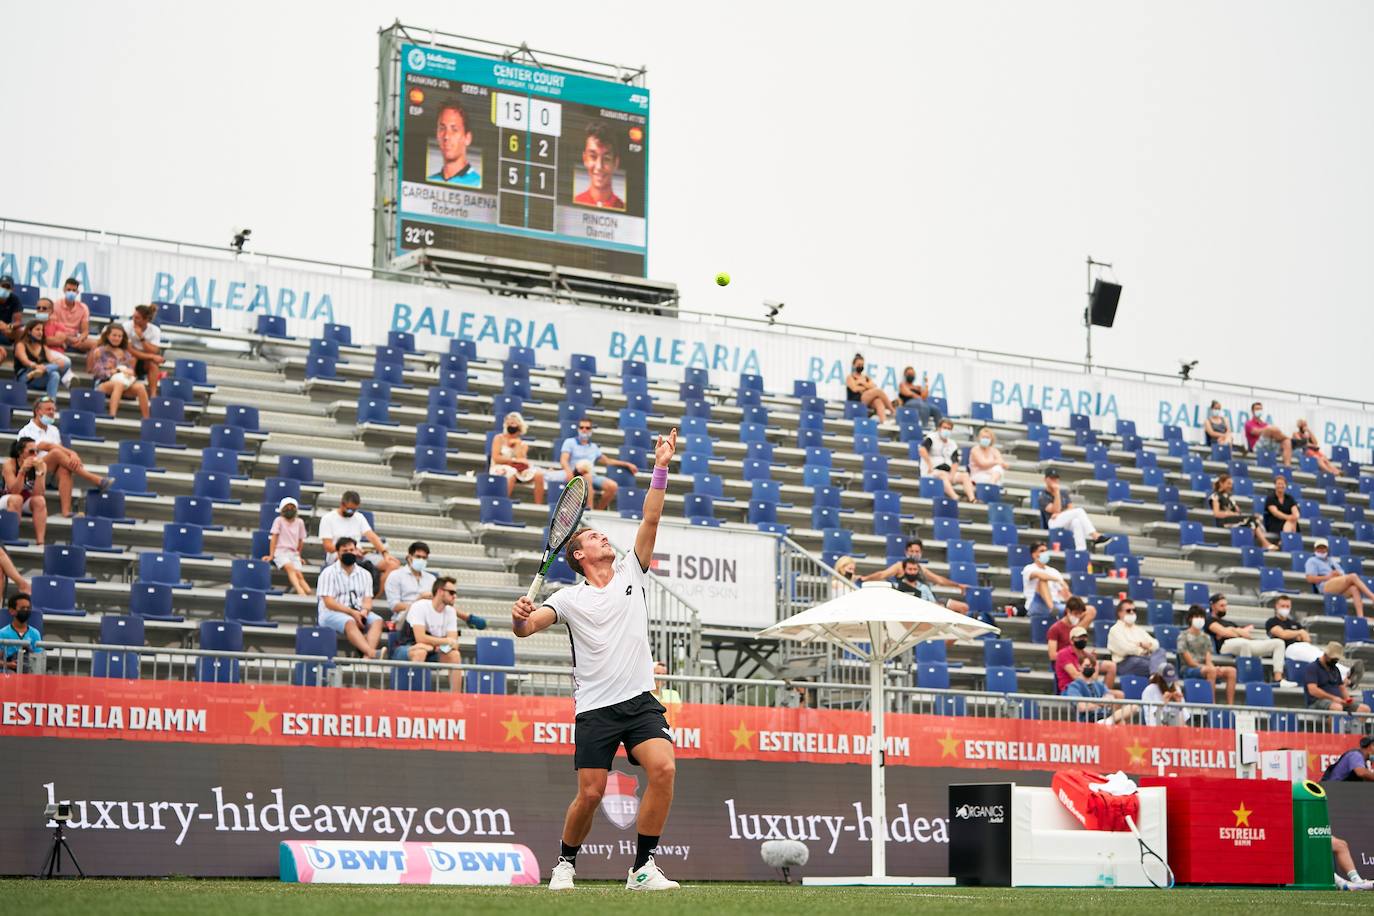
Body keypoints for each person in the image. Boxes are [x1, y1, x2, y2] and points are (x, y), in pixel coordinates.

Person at [511, 427, 681, 892]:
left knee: (664, 769)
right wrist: (519, 617)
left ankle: (642, 868)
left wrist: (660, 467)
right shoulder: (568, 598)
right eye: (592, 536)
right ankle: (565, 864)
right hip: (595, 709)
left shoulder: (632, 571)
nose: (603, 537)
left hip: (639, 700)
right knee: (590, 793)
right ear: (578, 554)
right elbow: (528, 628)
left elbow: (651, 518)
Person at [17, 397, 110, 516]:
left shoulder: (54, 430)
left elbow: (59, 451)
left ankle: (66, 511)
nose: (52, 412)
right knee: (55, 453)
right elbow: (46, 446)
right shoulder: (26, 430)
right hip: (33, 473)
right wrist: (71, 453)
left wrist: (72, 454)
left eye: (53, 410)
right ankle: (93, 478)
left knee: (65, 468)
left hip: (51, 473)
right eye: (48, 409)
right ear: (38, 411)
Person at [1269, 595, 1366, 690]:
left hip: (1303, 646)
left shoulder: (1295, 623)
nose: (1285, 609)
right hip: (1288, 649)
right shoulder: (1272, 621)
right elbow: (1282, 634)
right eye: (1283, 606)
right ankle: (1346, 674)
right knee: (1317, 658)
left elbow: (1307, 639)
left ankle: (1346, 675)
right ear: (1276, 606)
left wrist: (1296, 633)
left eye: (1287, 606)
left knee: (1321, 654)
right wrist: (1299, 632)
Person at [317, 491, 400, 598]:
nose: (351, 512)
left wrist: (384, 553)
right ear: (342, 504)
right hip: (338, 554)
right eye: (349, 509)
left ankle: (374, 597)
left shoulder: (359, 517)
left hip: (359, 553)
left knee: (393, 564)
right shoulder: (328, 518)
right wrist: (350, 550)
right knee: (345, 559)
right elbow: (328, 546)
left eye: (354, 510)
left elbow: (372, 536)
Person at [401, 575, 473, 693]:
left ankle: (455, 700)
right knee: (420, 651)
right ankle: (414, 700)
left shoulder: (450, 611)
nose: (455, 596)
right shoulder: (420, 606)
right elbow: (420, 638)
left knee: (455, 655)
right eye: (451, 592)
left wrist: (438, 644)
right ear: (440, 591)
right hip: (406, 646)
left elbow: (453, 643)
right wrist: (445, 641)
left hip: (434, 650)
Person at [316, 537, 384, 658]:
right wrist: (352, 613)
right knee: (349, 621)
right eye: (345, 550)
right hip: (330, 613)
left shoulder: (365, 574)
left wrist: (364, 611)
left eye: (351, 550)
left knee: (377, 620)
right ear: (338, 553)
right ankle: (372, 653)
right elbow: (329, 603)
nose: (349, 553)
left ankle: (367, 657)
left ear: (356, 551)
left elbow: (367, 599)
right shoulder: (328, 572)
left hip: (358, 611)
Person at [1205, 593, 1288, 685]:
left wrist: (1232, 630)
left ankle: (1278, 679)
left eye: (1225, 605)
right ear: (1213, 606)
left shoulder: (1230, 623)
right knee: (1244, 644)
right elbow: (1223, 632)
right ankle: (1247, 678)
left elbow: (1247, 636)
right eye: (1221, 605)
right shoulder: (1209, 620)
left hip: (1244, 643)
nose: (1225, 608)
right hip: (1225, 646)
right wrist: (1237, 632)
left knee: (1279, 643)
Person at [559, 418, 635, 511]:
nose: (584, 429)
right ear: (578, 429)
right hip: (575, 475)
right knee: (587, 476)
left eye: (587, 428)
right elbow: (563, 460)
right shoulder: (569, 442)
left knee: (612, 486)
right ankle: (589, 508)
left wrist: (627, 464)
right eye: (581, 427)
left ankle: (598, 511)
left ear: (591, 430)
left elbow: (608, 461)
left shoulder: (594, 447)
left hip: (591, 476)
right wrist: (569, 473)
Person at [88, 323, 151, 419]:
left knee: (140, 387)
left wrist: (131, 373)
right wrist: (112, 372)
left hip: (124, 383)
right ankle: (112, 415)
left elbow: (131, 372)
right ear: (108, 335)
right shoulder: (100, 351)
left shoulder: (126, 354)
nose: (117, 338)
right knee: (118, 384)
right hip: (103, 383)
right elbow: (97, 372)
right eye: (114, 335)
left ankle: (147, 419)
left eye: (119, 336)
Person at [1178, 604, 1238, 704]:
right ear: (1190, 619)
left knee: (1231, 671)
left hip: (1206, 668)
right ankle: (1212, 704)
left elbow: (1208, 659)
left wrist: (1212, 667)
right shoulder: (1183, 636)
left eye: (1201, 617)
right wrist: (1209, 668)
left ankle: (1230, 705)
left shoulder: (1206, 637)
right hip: (1188, 669)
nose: (1199, 619)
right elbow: (1190, 662)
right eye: (1196, 617)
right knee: (1211, 670)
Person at [1039, 469, 1112, 552]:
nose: (1054, 481)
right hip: (1053, 522)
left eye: (1056, 478)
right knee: (1079, 511)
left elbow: (1070, 508)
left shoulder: (1063, 493)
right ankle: (1095, 535)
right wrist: (1056, 492)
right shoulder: (1043, 496)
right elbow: (1056, 509)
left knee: (1076, 521)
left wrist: (1060, 513)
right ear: (1045, 479)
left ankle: (1081, 550)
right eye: (1051, 478)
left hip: (1063, 520)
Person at [1305, 538, 1374, 618]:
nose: (1321, 550)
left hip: (1336, 584)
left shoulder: (1331, 561)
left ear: (1327, 549)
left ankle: (1360, 617)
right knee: (1353, 576)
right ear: (1315, 549)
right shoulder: (1312, 561)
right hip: (1325, 585)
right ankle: (1372, 596)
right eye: (1319, 548)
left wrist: (1339, 575)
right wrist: (1328, 577)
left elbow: (1343, 574)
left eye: (1323, 548)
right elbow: (1309, 578)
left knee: (1354, 588)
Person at [1207, 473, 1276, 549]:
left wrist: (1243, 513)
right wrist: (1230, 514)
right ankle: (1264, 543)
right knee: (1252, 520)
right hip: (1223, 522)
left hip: (1233, 520)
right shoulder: (1215, 496)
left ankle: (1257, 545)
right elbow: (1216, 514)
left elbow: (1238, 513)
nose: (1230, 486)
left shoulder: (1230, 498)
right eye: (1228, 483)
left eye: (1231, 484)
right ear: (1221, 483)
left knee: (1252, 521)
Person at [490, 411, 546, 504]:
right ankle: (502, 504)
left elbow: (522, 461)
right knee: (511, 475)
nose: (512, 425)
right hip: (500, 467)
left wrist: (517, 445)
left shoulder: (522, 444)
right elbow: (496, 458)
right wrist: (513, 460)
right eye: (510, 423)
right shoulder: (498, 438)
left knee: (539, 475)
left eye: (514, 423)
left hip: (517, 469)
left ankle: (538, 506)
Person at [1063, 657, 1136, 725]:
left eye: (1092, 666)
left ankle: (1108, 721)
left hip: (1105, 716)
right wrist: (1100, 703)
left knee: (1133, 707)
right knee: (1120, 721)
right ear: (1079, 667)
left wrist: (1095, 704)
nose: (1090, 668)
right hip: (1089, 719)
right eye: (1087, 666)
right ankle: (1109, 722)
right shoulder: (1074, 686)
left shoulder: (1098, 684)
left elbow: (1110, 699)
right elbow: (1081, 707)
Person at [2, 437, 47, 546]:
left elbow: (38, 493)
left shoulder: (41, 465)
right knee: (17, 499)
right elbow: (14, 491)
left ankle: (40, 542)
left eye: (36, 451)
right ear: (20, 453)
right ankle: (12, 537)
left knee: (40, 501)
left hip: (25, 499)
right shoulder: (9, 464)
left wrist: (39, 473)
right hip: (8, 499)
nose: (35, 454)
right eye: (31, 451)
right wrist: (22, 471)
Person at [1302, 642, 1371, 713]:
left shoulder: (1335, 669)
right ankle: (1334, 724)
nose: (1335, 661)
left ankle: (1354, 724)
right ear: (1326, 655)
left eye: (1337, 660)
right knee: (1337, 707)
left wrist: (1348, 699)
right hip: (1317, 702)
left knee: (1365, 709)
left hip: (1338, 701)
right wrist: (1333, 698)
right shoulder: (1312, 668)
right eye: (1333, 659)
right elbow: (1313, 690)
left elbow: (1341, 687)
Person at [427, 100, 481, 187]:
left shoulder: (477, 183)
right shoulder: (430, 181)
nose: (446, 136)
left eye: (454, 129)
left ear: (467, 138)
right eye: (442, 128)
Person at [263, 496, 310, 596]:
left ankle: (308, 592)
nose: (289, 510)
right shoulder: (278, 520)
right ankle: (300, 591)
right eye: (287, 507)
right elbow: (274, 538)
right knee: (290, 568)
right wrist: (271, 555)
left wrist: (299, 555)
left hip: (293, 553)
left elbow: (301, 540)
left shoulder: (300, 522)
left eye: (292, 507)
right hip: (280, 552)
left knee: (299, 574)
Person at [573, 122, 625, 210]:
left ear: (616, 163)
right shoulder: (576, 202)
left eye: (606, 158)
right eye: (593, 156)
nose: (599, 166)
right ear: (585, 159)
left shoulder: (622, 207)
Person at [1108, 599, 1166, 678]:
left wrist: (1141, 645)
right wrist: (1143, 647)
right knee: (1165, 668)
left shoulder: (1138, 629)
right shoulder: (1115, 629)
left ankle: (1155, 676)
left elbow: (1156, 644)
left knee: (1161, 651)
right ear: (1120, 613)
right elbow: (1126, 650)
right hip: (1125, 663)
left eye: (1134, 610)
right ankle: (1157, 675)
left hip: (1144, 659)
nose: (1132, 612)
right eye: (1128, 610)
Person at [921, 418, 974, 501]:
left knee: (965, 475)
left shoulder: (952, 443)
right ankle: (956, 497)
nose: (946, 430)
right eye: (944, 428)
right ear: (939, 428)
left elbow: (955, 461)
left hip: (948, 472)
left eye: (949, 429)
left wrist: (952, 475)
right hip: (933, 471)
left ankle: (972, 499)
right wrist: (929, 466)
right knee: (942, 475)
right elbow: (922, 450)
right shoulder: (931, 437)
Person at [893, 557, 970, 614]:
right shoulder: (900, 587)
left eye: (915, 569)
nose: (913, 572)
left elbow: (933, 599)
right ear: (904, 570)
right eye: (910, 569)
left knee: (963, 607)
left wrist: (958, 585)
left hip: (932, 606)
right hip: (916, 611)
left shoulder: (923, 586)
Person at [384, 541, 436, 623]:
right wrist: (418, 601)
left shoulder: (431, 579)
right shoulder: (395, 576)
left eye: (424, 558)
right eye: (418, 557)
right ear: (409, 557)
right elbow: (395, 606)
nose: (421, 560)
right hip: (404, 619)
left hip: (428, 618)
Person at [13, 319, 63, 399]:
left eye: (42, 330)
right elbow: (24, 360)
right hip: (26, 376)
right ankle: (39, 371)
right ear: (29, 331)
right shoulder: (21, 345)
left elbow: (53, 361)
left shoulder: (44, 347)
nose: (40, 332)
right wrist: (36, 366)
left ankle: (51, 403)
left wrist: (47, 367)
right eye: (37, 329)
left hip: (39, 377)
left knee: (55, 374)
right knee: (51, 369)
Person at [125, 304, 164, 398]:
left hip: (144, 361)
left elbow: (154, 350)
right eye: (133, 316)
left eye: (137, 318)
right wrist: (152, 356)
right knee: (133, 358)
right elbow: (129, 350)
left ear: (146, 320)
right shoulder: (127, 326)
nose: (134, 319)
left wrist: (141, 338)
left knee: (153, 365)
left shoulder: (155, 330)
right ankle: (129, 390)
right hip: (127, 359)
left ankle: (153, 395)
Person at [1021, 542, 1069, 617]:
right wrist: (1056, 579)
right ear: (1034, 554)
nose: (1045, 553)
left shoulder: (1054, 571)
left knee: (1089, 610)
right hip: (1036, 604)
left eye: (1046, 551)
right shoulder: (1029, 568)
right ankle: (1052, 609)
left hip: (1056, 603)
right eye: (1042, 551)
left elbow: (1064, 589)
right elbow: (1039, 575)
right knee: (1042, 580)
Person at [845, 354, 893, 425]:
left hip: (866, 400)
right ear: (854, 365)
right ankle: (892, 410)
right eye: (859, 364)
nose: (860, 366)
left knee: (878, 401)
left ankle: (884, 421)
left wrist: (862, 383)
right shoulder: (850, 377)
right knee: (878, 391)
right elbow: (854, 389)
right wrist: (867, 386)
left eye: (862, 364)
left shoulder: (866, 377)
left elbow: (873, 386)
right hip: (856, 400)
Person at [0, 593, 39, 672]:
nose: (26, 610)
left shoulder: (35, 633)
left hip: (29, 676)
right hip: (8, 676)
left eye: (28, 608)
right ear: (12, 611)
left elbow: (39, 659)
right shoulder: (2, 633)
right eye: (22, 608)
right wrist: (8, 664)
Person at [1053, 624, 1093, 694]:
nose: (1083, 640)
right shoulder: (1063, 654)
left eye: (1084, 637)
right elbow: (1076, 676)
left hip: (1087, 688)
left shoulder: (1087, 655)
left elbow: (1094, 677)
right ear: (1071, 640)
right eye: (1079, 637)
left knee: (1117, 695)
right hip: (1069, 690)